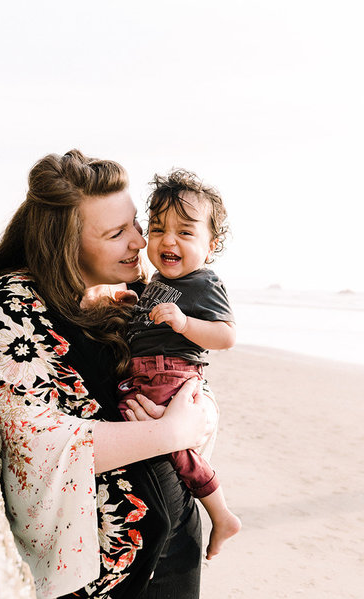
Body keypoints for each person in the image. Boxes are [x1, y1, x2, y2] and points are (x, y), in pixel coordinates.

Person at [0, 150, 213, 599]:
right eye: (116, 233)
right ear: (66, 244)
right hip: (112, 576)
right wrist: (171, 432)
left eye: (136, 224)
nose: (140, 243)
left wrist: (199, 417)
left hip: (174, 542)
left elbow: (189, 375)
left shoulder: (122, 295)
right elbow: (33, 441)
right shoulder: (14, 301)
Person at [118, 169, 241, 561]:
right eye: (157, 229)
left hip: (172, 375)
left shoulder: (204, 283)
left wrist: (185, 323)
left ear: (210, 245)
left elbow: (225, 336)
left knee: (177, 452)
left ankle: (220, 513)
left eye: (185, 233)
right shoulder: (152, 281)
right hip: (145, 374)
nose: (168, 240)